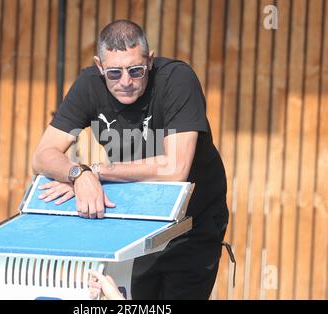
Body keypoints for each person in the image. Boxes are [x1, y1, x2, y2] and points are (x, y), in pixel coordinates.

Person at [32, 20, 229, 299]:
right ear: (100, 66)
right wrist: (78, 175)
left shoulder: (177, 80)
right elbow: (42, 155)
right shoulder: (89, 85)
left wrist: (97, 172)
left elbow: (174, 169)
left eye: (135, 70)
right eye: (114, 73)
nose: (125, 81)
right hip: (134, 222)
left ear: (149, 60)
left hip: (192, 223)